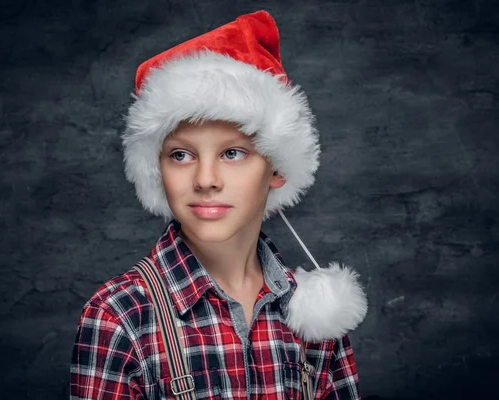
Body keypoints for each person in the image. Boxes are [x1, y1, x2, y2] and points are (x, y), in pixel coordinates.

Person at [70, 10, 368, 399]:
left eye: (232, 153)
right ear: (155, 170)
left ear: (277, 167)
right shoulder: (120, 315)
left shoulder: (313, 315)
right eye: (180, 155)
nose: (205, 179)